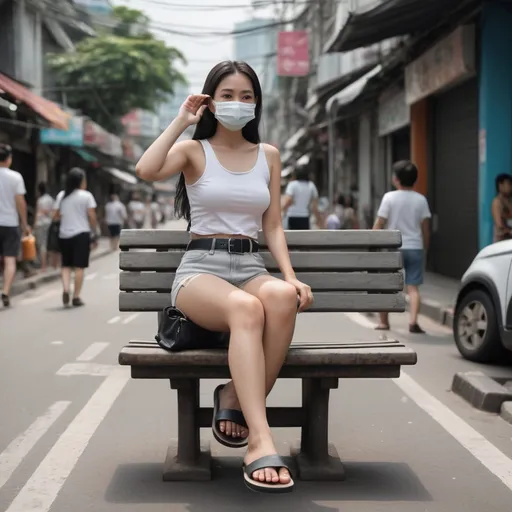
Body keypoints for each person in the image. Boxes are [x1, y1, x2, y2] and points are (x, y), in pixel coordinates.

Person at [136, 60, 314, 493]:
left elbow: (271, 224)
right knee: (246, 308)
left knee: (279, 299)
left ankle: (233, 396)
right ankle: (260, 439)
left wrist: (290, 277)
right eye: (228, 95)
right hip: (200, 271)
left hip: (250, 265)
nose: (238, 103)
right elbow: (146, 169)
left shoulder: (268, 155)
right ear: (211, 102)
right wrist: (182, 120)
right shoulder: (194, 151)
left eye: (247, 96)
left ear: (257, 104)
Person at [373, 160, 431, 334]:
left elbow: (379, 223)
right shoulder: (421, 200)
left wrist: (374, 243)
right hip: (415, 247)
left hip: (393, 247)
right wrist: (425, 248)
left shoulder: (389, 197)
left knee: (386, 286)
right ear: (415, 180)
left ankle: (384, 322)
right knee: (413, 287)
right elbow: (425, 229)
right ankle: (413, 322)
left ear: (396, 179)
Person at [53, 168, 98, 307]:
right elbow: (91, 216)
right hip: (81, 234)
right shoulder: (86, 196)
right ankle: (76, 296)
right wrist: (94, 231)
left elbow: (54, 216)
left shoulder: (62, 195)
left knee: (66, 265)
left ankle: (66, 288)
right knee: (79, 266)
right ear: (81, 181)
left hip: (64, 234)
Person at [0, 144, 30, 307]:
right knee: (10, 260)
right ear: (9, 159)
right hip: (10, 224)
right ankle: (5, 291)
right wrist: (25, 224)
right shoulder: (16, 177)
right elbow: (21, 202)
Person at [34, 182, 56, 271]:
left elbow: (37, 213)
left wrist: (34, 224)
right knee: (49, 244)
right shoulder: (50, 199)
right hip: (49, 223)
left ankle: (43, 266)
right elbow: (53, 211)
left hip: (40, 223)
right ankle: (51, 264)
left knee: (42, 245)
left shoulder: (40, 200)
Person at [491, 173, 512, 243]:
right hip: (501, 243)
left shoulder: (510, 202)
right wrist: (509, 231)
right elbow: (499, 225)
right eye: (509, 184)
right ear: (500, 185)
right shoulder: (496, 202)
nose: (510, 187)